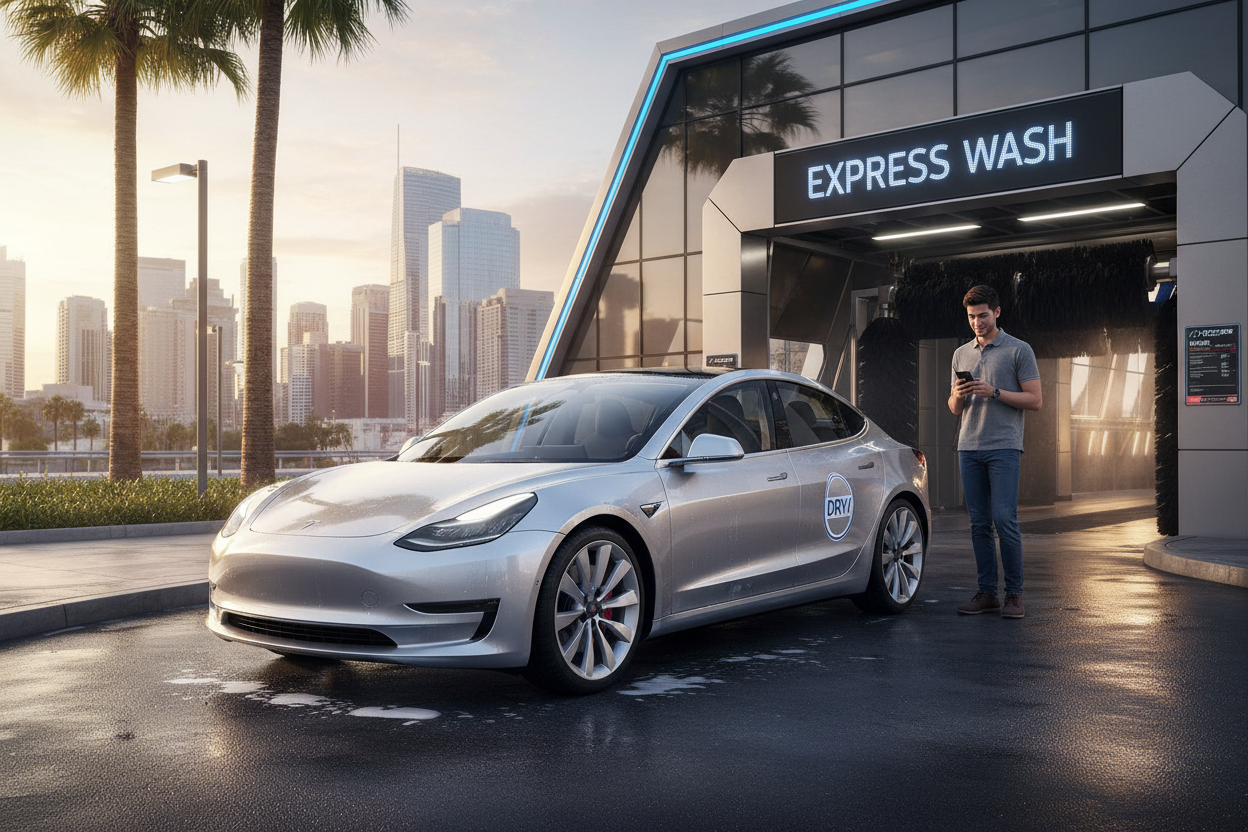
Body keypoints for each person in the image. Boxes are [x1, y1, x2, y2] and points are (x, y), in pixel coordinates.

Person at [947, 284, 1042, 619]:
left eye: (983, 315)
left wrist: (995, 391)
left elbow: (1035, 400)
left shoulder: (1019, 350)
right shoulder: (961, 354)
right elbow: (955, 408)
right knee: (978, 524)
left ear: (997, 312)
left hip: (1004, 446)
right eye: (972, 316)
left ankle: (1014, 595)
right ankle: (987, 593)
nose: (977, 322)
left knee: (1005, 520)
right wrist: (960, 394)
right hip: (968, 446)